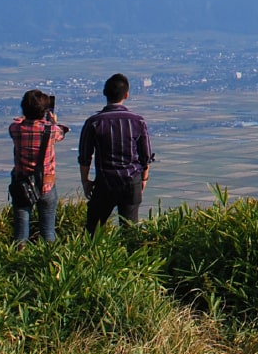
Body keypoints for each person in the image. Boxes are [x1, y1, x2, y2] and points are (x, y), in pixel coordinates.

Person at [78, 73, 154, 233]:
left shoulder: (94, 122)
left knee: (93, 230)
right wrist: (144, 178)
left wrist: (85, 181)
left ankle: (93, 256)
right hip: (131, 180)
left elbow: (85, 156)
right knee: (130, 229)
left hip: (105, 181)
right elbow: (145, 155)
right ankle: (131, 256)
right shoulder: (137, 121)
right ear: (126, 94)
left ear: (105, 93)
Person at [9, 88, 68, 244]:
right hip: (46, 184)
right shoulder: (51, 131)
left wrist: (26, 117)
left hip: (22, 184)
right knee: (48, 232)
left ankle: (19, 260)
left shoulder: (15, 129)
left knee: (20, 234)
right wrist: (52, 122)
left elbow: (17, 123)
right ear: (45, 111)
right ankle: (48, 261)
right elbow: (61, 132)